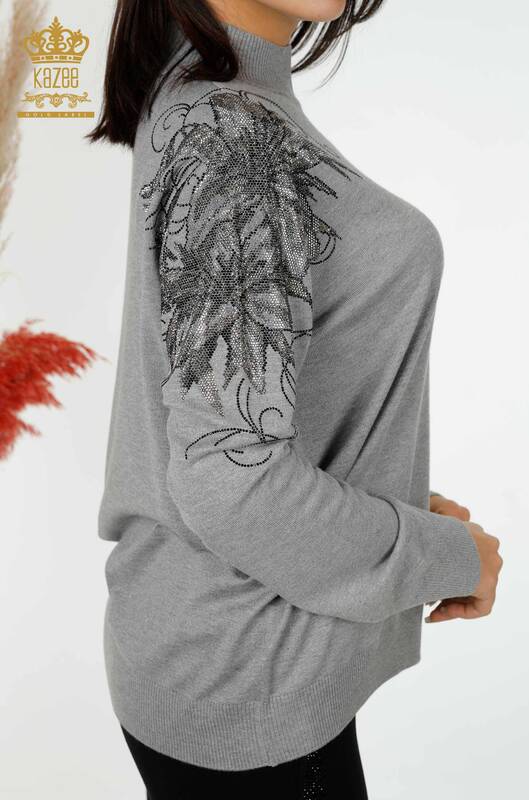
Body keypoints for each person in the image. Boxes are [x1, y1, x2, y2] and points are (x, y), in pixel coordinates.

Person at [88, 1, 503, 797]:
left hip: (208, 647)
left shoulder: (199, 94)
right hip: (250, 677)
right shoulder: (236, 136)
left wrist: (389, 497)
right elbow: (232, 481)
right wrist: (447, 555)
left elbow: (238, 419)